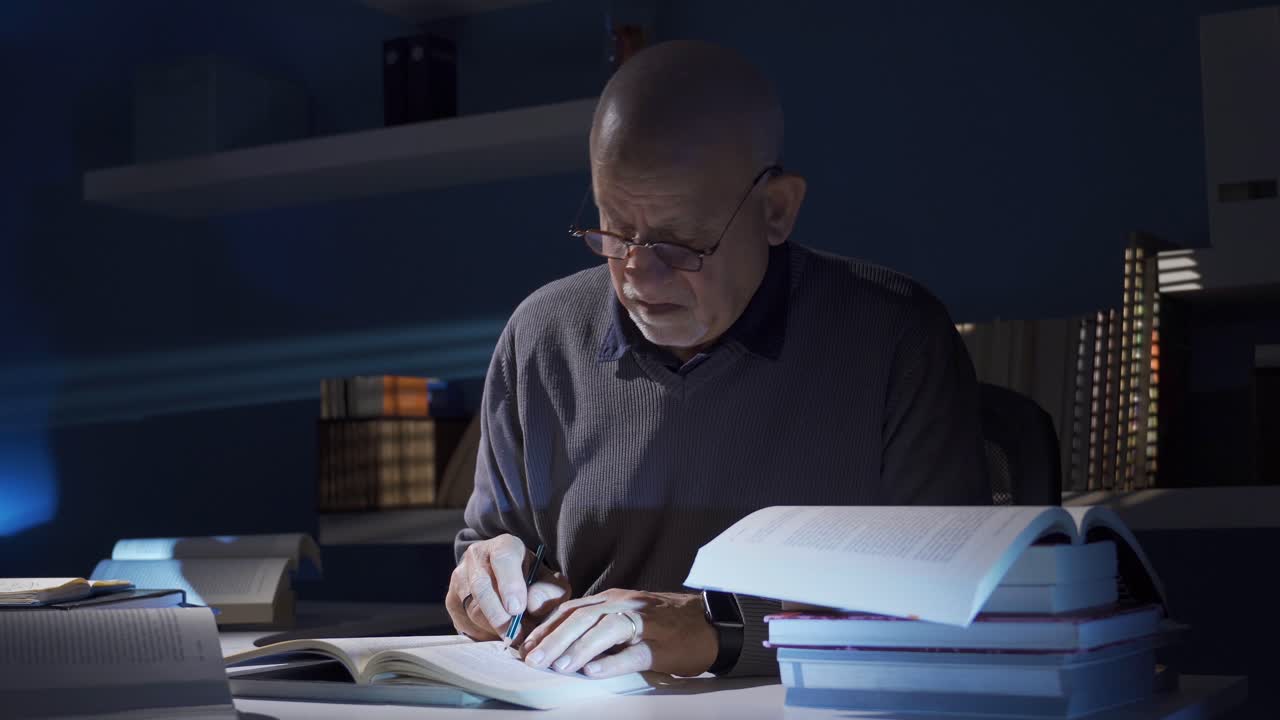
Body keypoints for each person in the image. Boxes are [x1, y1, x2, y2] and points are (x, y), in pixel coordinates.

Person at [446, 39, 990, 680]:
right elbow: (491, 547)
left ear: (776, 210)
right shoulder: (541, 338)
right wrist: (491, 586)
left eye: (680, 241)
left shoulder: (895, 337)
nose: (638, 274)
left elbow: (952, 603)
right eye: (614, 230)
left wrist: (721, 628)